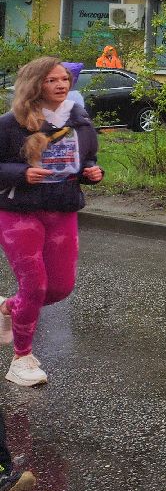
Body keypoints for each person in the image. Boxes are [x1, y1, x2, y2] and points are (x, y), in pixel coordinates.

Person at [0, 56, 103, 386]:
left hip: (63, 209)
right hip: (20, 212)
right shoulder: (9, 124)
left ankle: (9, 307)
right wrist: (22, 173)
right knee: (35, 285)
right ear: (35, 85)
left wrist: (93, 173)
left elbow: (87, 160)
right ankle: (22, 358)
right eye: (52, 80)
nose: (61, 85)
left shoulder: (79, 120)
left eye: (64, 80)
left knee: (59, 289)